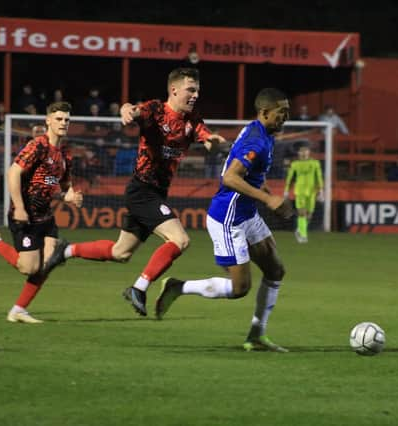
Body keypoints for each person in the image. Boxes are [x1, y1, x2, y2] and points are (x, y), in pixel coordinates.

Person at [43, 67, 226, 317]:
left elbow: (208, 142)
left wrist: (214, 143)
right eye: (190, 90)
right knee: (180, 240)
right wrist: (126, 109)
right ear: (174, 90)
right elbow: (133, 110)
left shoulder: (193, 120)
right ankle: (139, 288)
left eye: (197, 91)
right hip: (142, 190)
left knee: (121, 252)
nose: (195, 95)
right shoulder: (157, 110)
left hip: (156, 193)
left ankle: (65, 250)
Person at [153, 88, 294, 353]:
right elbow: (229, 178)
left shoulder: (261, 132)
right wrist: (268, 200)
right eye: (281, 112)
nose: (286, 117)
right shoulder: (257, 141)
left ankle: (256, 336)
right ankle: (178, 286)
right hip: (228, 218)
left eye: (287, 111)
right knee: (240, 288)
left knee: (275, 271)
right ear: (265, 113)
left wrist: (268, 196)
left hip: (247, 213)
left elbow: (252, 175)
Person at [0, 101, 83, 323]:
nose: (63, 123)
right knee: (28, 268)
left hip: (46, 217)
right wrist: (20, 207)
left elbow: (58, 187)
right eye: (59, 118)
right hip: (25, 216)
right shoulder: (38, 146)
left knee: (47, 265)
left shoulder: (65, 154)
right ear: (48, 121)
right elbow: (13, 173)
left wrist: (68, 196)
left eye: (67, 119)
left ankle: (18, 310)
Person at [284, 144, 323, 243]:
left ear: (309, 153)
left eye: (306, 151)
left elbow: (318, 177)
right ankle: (303, 236)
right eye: (302, 151)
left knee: (309, 215)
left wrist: (321, 190)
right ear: (299, 153)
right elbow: (290, 178)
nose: (304, 153)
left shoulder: (315, 163)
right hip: (299, 191)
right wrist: (286, 190)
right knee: (302, 213)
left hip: (311, 192)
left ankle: (299, 230)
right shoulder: (295, 164)